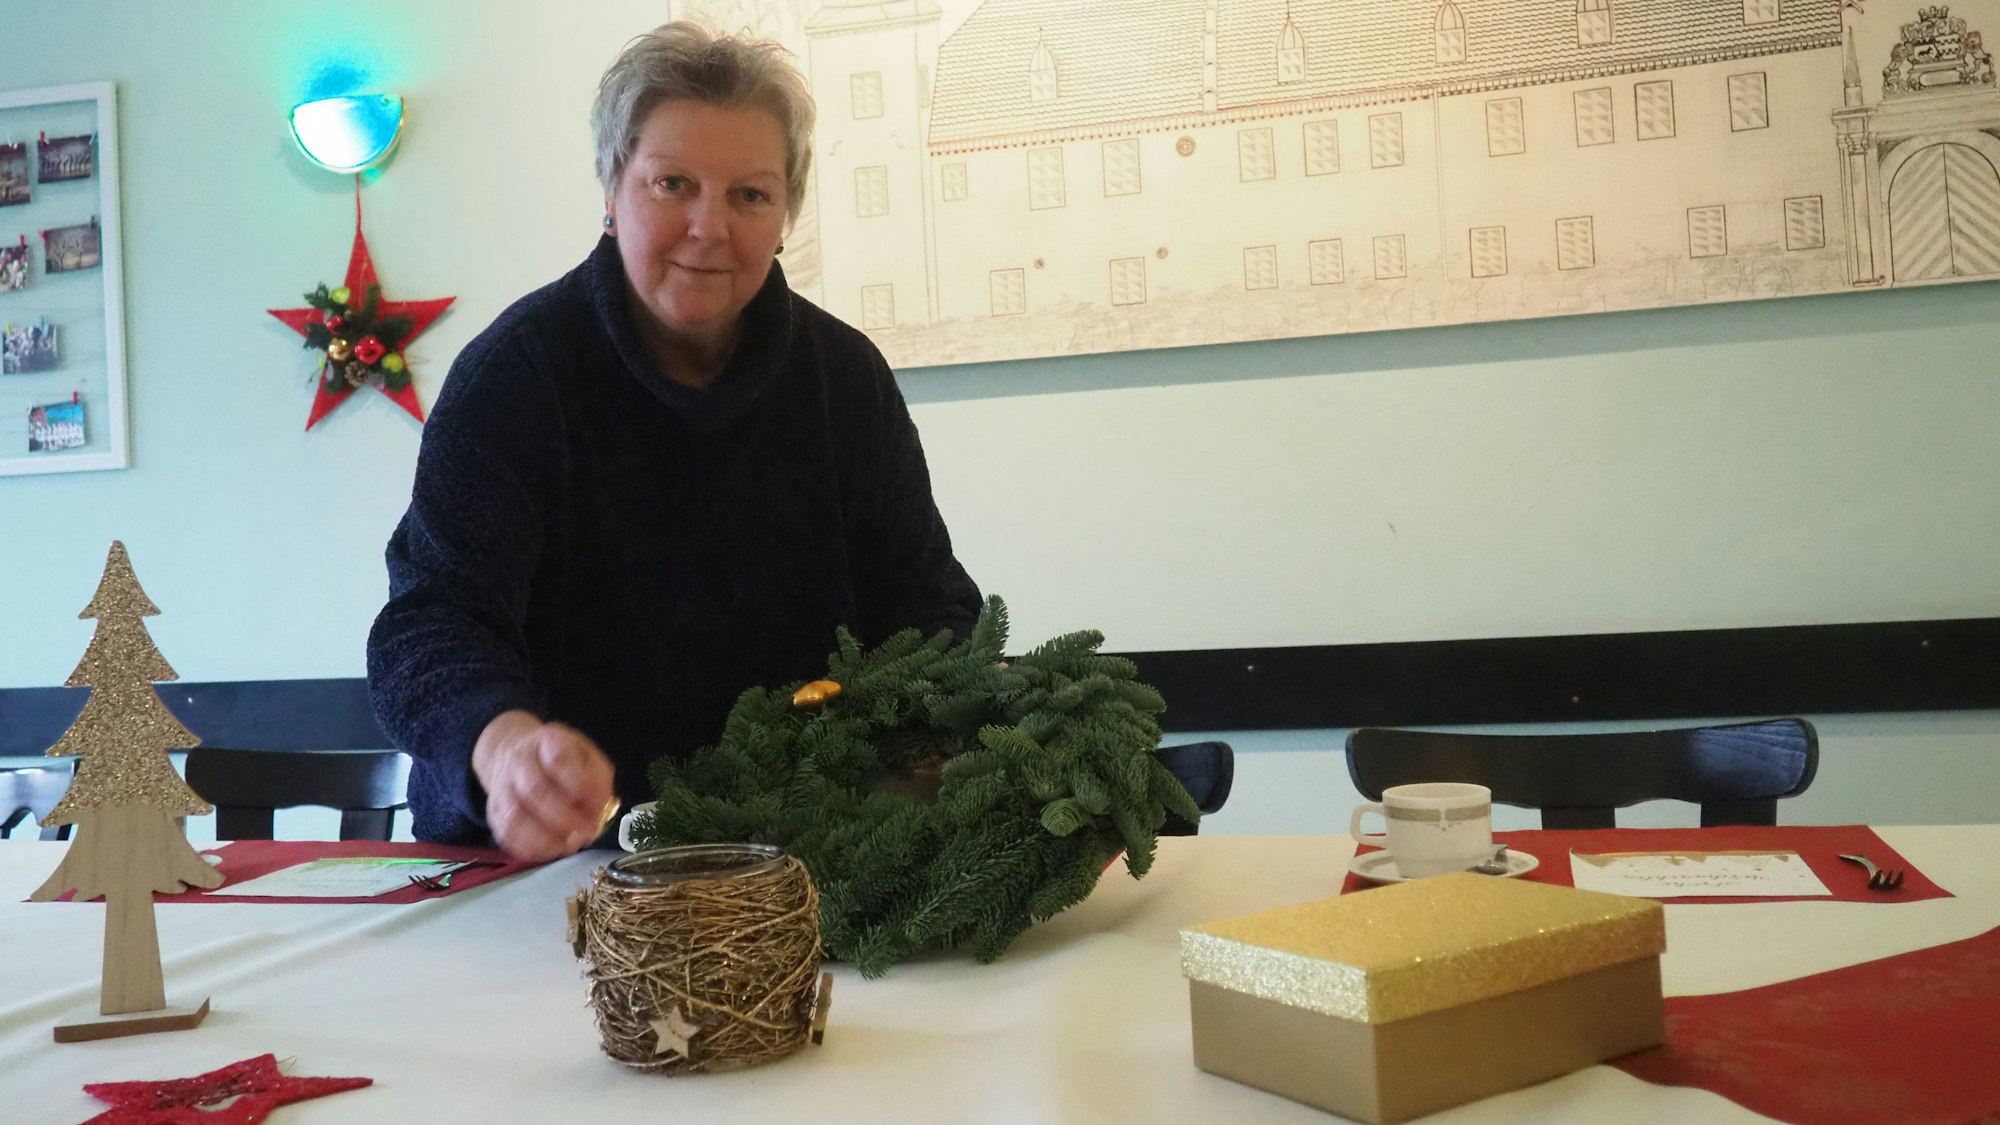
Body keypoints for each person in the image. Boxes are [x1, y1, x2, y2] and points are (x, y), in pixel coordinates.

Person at [366, 22, 981, 862]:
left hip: (796, 853)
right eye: (673, 184)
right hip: (545, 863)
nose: (708, 227)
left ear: (786, 214)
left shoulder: (846, 379)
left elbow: (930, 610)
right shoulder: (515, 376)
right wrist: (504, 745)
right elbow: (430, 625)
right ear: (612, 192)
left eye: (750, 195)